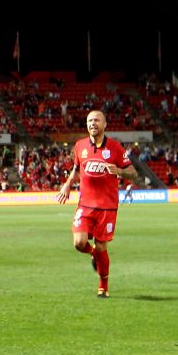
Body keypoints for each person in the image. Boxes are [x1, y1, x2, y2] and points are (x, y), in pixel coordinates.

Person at [56, 110, 138, 298]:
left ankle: (103, 287)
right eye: (90, 121)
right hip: (85, 205)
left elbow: (133, 173)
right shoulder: (80, 146)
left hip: (107, 207)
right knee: (79, 243)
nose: (93, 123)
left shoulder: (115, 148)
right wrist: (67, 184)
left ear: (105, 124)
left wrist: (119, 170)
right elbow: (77, 170)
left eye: (96, 120)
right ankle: (93, 253)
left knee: (102, 247)